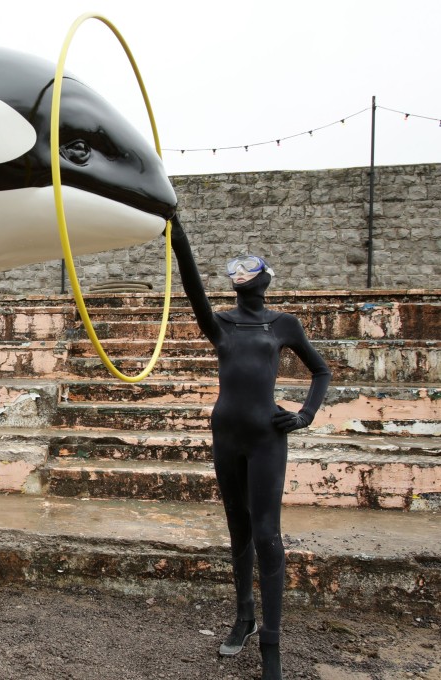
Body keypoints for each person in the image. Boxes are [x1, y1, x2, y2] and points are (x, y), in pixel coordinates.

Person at [168, 215, 331, 680]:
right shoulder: (220, 324)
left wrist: (304, 415)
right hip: (226, 435)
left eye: (248, 269)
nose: (239, 276)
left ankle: (271, 651)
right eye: (234, 270)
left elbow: (321, 372)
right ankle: (244, 617)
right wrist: (180, 242)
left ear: (264, 279)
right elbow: (195, 293)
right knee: (237, 528)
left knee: (267, 535)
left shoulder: (283, 324)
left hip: (266, 437)